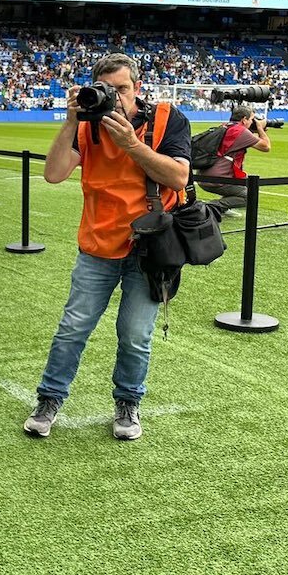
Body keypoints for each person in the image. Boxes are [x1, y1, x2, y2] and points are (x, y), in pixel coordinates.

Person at [25, 52, 191, 443]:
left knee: (135, 334)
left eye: (123, 89)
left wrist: (132, 144)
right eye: (107, 90)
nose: (116, 98)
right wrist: (70, 122)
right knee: (72, 328)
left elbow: (179, 176)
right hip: (98, 243)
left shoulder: (168, 119)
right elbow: (53, 174)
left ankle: (128, 402)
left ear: (138, 88)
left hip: (149, 246)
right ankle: (49, 399)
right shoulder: (86, 125)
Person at [198, 106, 272, 221]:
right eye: (252, 119)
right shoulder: (241, 132)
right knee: (251, 196)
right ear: (244, 120)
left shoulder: (225, 126)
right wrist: (260, 128)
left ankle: (223, 207)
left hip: (203, 175)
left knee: (245, 180)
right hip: (217, 179)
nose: (253, 122)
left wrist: (252, 131)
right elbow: (266, 147)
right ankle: (211, 207)